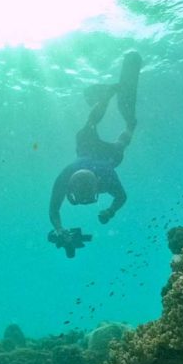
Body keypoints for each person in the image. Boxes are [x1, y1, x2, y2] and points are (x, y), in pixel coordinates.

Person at [48, 51, 141, 256]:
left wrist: (110, 211)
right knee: (96, 132)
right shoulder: (69, 178)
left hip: (99, 156)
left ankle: (124, 118)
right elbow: (121, 197)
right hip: (96, 153)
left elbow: (54, 210)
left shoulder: (101, 175)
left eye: (84, 195)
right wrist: (110, 211)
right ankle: (120, 115)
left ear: (97, 185)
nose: (85, 199)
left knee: (108, 139)